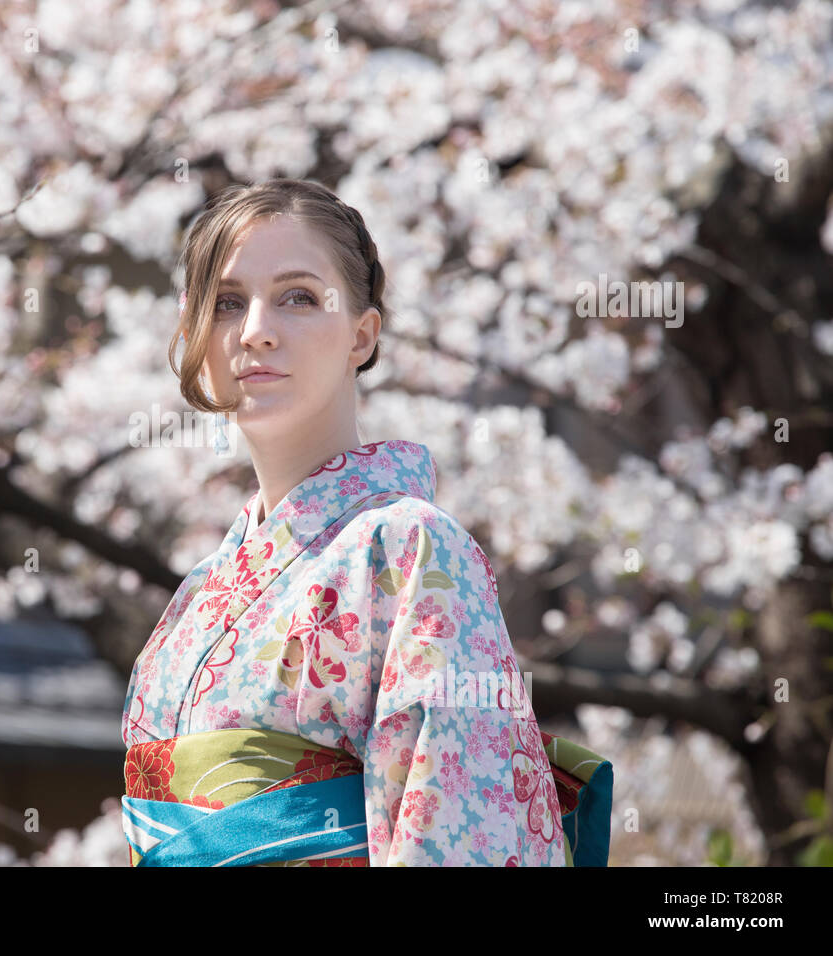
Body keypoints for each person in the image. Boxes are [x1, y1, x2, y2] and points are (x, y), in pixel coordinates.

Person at [121, 178, 612, 866]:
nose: (256, 329)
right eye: (227, 302)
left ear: (362, 333)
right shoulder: (200, 591)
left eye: (298, 297)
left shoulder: (411, 548)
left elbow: (454, 834)